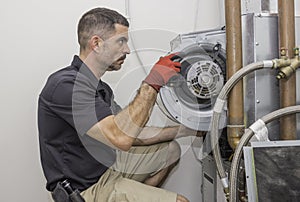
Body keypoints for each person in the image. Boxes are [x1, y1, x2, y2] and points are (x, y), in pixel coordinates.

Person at [38, 7, 203, 202]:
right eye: (121, 41)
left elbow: (135, 134)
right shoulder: (66, 86)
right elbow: (121, 137)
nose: (127, 49)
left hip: (106, 170)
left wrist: (190, 129)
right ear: (97, 44)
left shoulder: (101, 88)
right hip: (85, 190)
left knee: (171, 151)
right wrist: (153, 82)